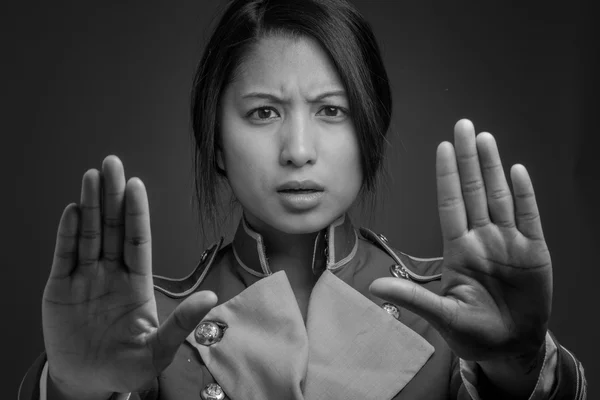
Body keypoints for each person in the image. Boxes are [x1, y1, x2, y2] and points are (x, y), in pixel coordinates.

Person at [18, 0, 587, 399]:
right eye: (263, 112)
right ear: (215, 142)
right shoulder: (153, 328)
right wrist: (74, 391)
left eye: (331, 110)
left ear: (370, 131)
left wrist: (519, 362)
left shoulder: (453, 311)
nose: (297, 150)